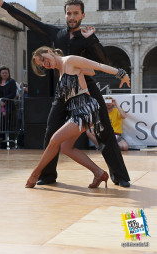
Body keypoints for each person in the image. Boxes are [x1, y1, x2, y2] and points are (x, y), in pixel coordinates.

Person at [0, 0, 130, 187]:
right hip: (64, 92)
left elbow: (103, 62)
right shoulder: (56, 34)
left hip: (86, 91)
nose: (72, 17)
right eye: (68, 13)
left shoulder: (87, 37)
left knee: (104, 132)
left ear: (82, 15)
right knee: (50, 131)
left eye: (75, 13)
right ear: (65, 15)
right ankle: (47, 176)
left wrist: (92, 40)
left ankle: (120, 177)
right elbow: (29, 21)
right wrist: (4, 5)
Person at [25, 46, 130, 188]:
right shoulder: (62, 70)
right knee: (66, 147)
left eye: (43, 59)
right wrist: (81, 71)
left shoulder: (70, 60)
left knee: (55, 140)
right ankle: (99, 173)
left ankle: (34, 175)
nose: (45, 64)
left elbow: (97, 66)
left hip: (86, 110)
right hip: (78, 111)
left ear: (50, 51)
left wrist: (121, 73)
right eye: (41, 64)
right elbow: (90, 72)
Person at [0, 66, 17, 149]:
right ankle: (1, 144)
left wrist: (4, 100)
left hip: (10, 107)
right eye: (3, 73)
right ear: (0, 74)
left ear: (9, 73)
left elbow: (13, 93)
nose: (4, 74)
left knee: (11, 126)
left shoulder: (12, 82)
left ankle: (12, 144)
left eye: (6, 73)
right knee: (1, 125)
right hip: (0, 108)